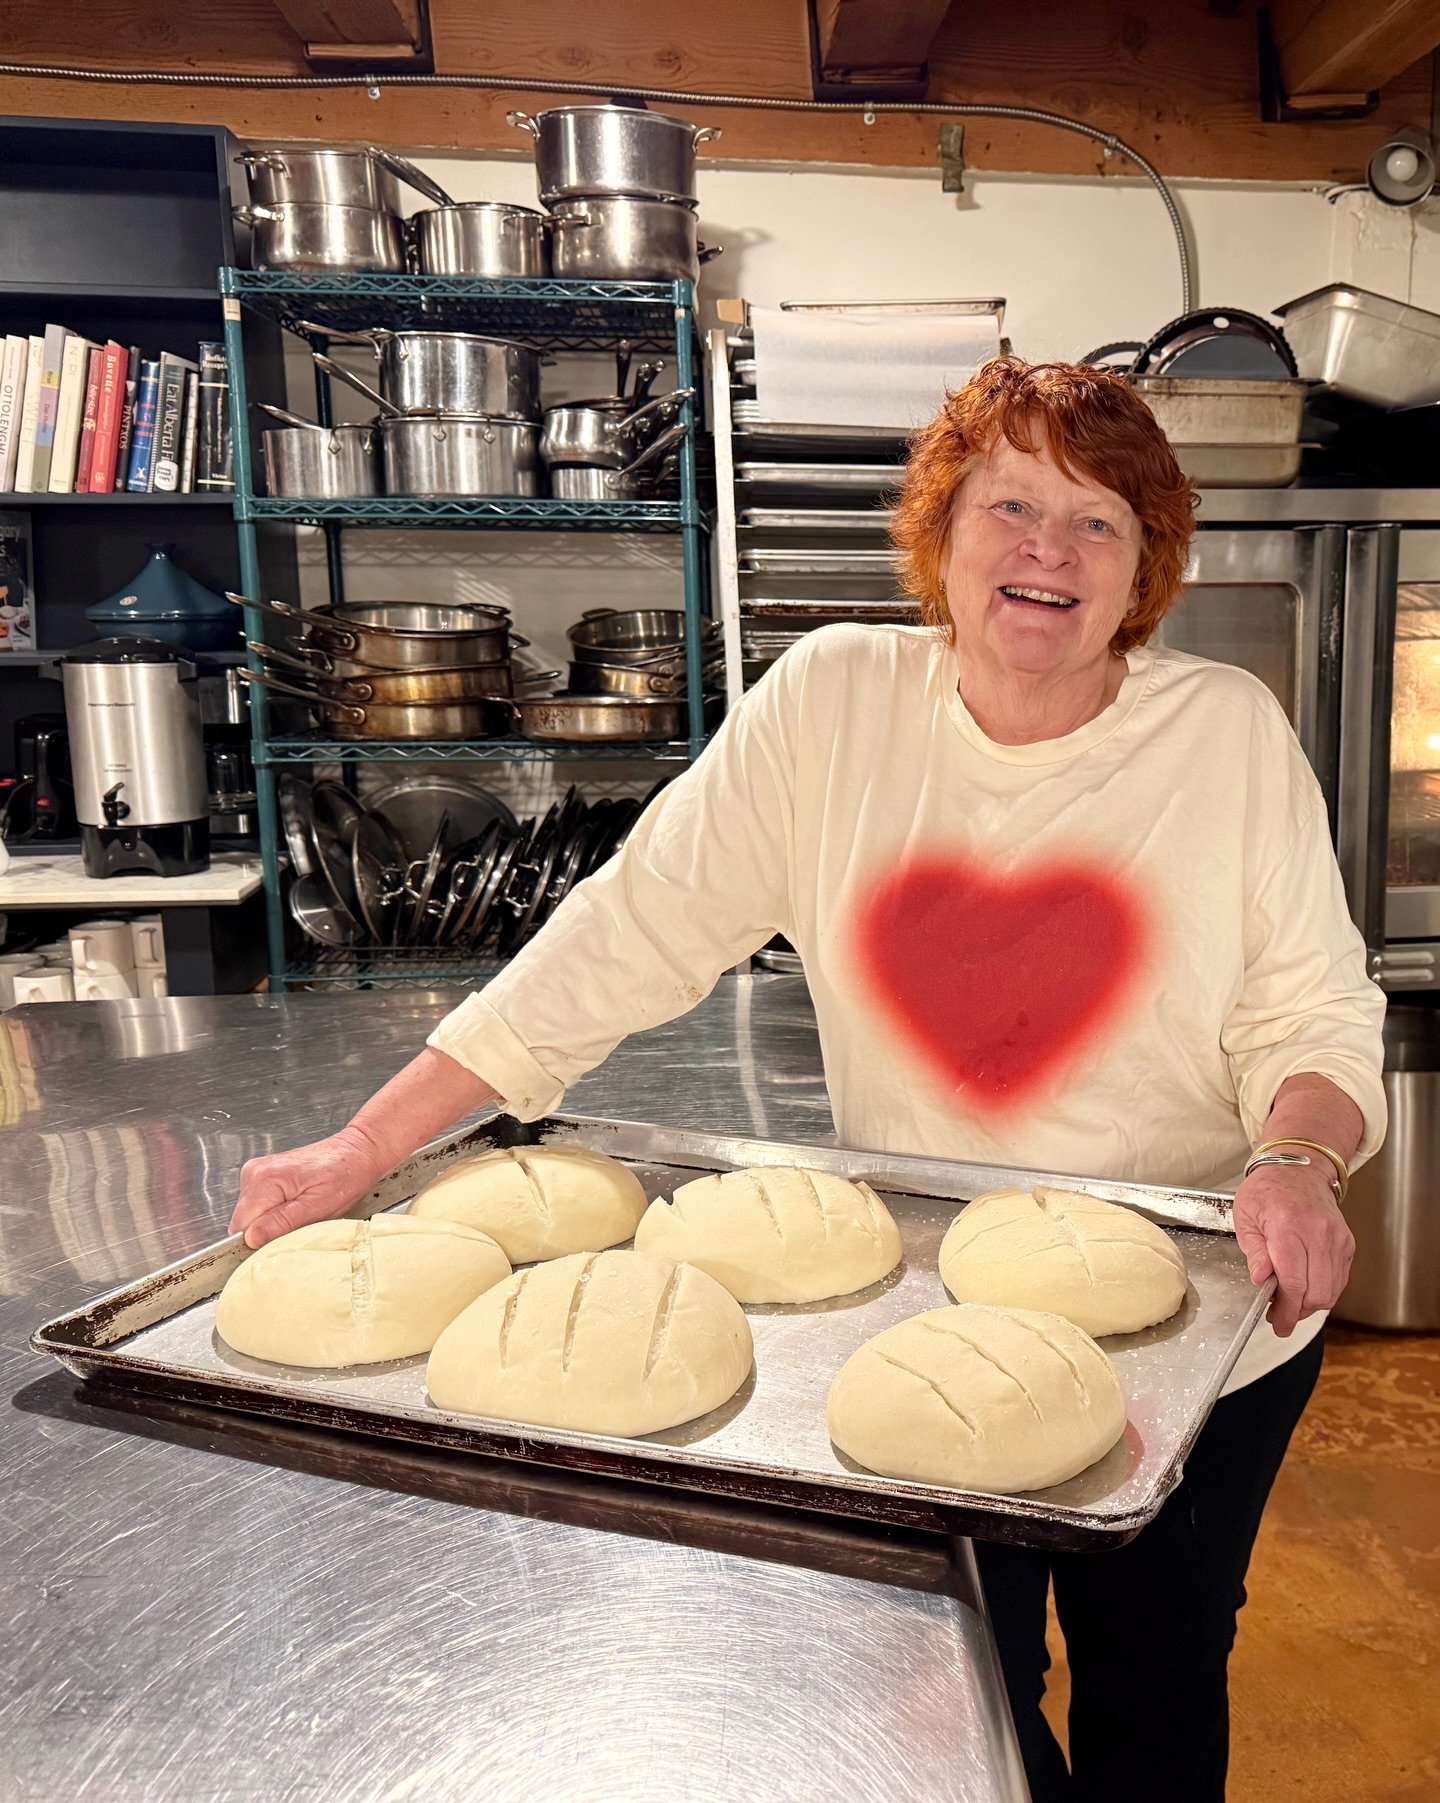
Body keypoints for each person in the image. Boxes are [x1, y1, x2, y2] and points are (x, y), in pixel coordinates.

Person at [233, 357, 1385, 1801]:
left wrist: (1298, 1158)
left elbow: (1313, 1009)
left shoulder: (1223, 733)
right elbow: (620, 939)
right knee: (962, 1664)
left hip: (1206, 1305)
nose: (1048, 550)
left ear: (1148, 564)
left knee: (1157, 1661)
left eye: (1100, 522)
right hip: (932, 1303)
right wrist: (363, 1145)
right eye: (1009, 506)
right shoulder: (835, 702)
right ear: (942, 534)